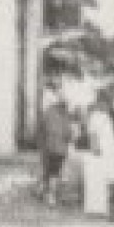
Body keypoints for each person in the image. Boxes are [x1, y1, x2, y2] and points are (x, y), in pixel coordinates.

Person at [36, 75, 73, 206]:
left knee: (48, 170)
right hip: (59, 148)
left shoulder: (47, 112)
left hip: (47, 146)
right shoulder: (65, 116)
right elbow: (69, 133)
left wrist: (41, 143)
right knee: (55, 172)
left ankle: (44, 191)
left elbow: (40, 129)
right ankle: (51, 196)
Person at [83, 94, 114, 217]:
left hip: (109, 151)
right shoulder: (95, 116)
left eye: (108, 104)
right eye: (105, 103)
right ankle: (96, 209)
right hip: (100, 151)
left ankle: (105, 208)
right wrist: (95, 147)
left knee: (108, 179)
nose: (107, 106)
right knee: (97, 180)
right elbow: (93, 133)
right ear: (99, 103)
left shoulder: (106, 116)